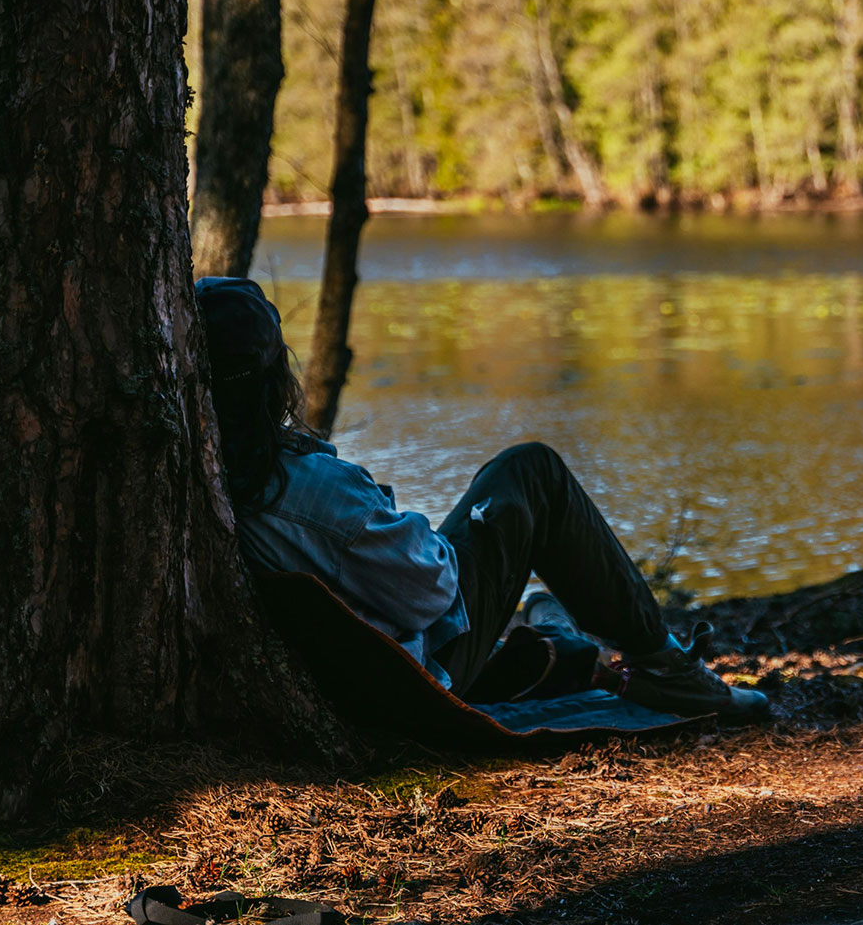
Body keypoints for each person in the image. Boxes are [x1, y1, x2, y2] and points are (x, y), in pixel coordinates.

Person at [194, 276, 768, 723]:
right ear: (274, 379)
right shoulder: (310, 490)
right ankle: (669, 669)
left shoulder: (211, 475)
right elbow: (435, 589)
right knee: (529, 472)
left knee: (506, 508)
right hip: (417, 678)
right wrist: (404, 520)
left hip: (357, 672)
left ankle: (560, 635)